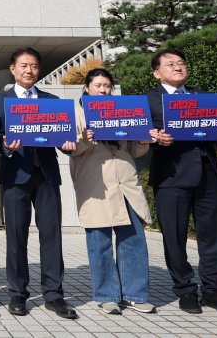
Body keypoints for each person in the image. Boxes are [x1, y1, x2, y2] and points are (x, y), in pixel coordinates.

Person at [146, 48, 217, 316]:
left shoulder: (203, 98)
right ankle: (186, 290)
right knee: (174, 237)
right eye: (170, 64)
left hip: (208, 173)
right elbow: (138, 135)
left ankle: (215, 291)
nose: (178, 67)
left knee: (214, 235)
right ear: (157, 72)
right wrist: (154, 138)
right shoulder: (148, 100)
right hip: (171, 176)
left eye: (181, 63)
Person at [0, 47, 78, 319]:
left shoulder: (52, 100)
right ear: (13, 69)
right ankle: (18, 293)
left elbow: (65, 136)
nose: (29, 70)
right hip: (15, 175)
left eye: (34, 66)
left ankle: (54, 294)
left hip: (46, 175)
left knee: (52, 235)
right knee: (16, 235)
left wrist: (68, 145)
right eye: (24, 65)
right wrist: (4, 146)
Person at [70, 68, 156, 315]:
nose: (103, 89)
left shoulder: (123, 111)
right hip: (96, 184)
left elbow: (134, 150)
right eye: (97, 85)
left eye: (107, 85)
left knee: (133, 240)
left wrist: (143, 141)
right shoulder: (77, 112)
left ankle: (135, 295)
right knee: (100, 242)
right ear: (86, 88)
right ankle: (107, 295)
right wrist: (85, 138)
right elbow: (70, 148)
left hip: (125, 182)